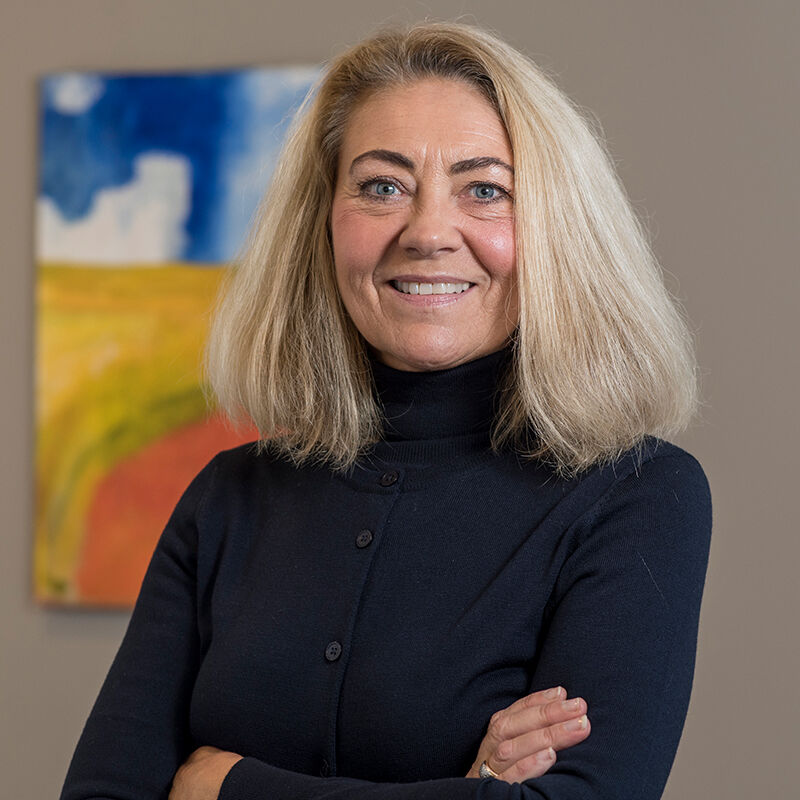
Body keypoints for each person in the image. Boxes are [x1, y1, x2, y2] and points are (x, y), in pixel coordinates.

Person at [60, 21, 712, 800]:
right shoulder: (227, 499)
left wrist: (223, 787)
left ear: (555, 226)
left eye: (484, 190)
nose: (428, 233)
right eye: (382, 187)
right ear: (323, 222)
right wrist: (475, 788)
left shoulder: (637, 495)